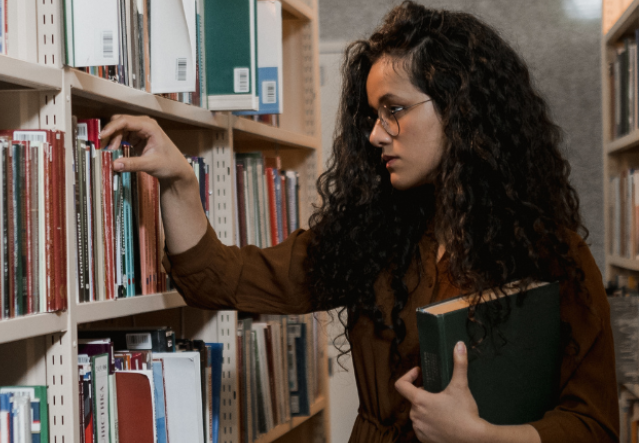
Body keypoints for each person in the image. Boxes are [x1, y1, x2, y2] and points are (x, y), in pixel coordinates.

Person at [99, 2, 619, 442]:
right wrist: (178, 182)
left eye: (393, 110)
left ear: (462, 109)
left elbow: (594, 424)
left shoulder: (552, 254)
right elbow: (215, 278)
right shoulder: (370, 237)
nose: (375, 135)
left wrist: (482, 439)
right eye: (372, 114)